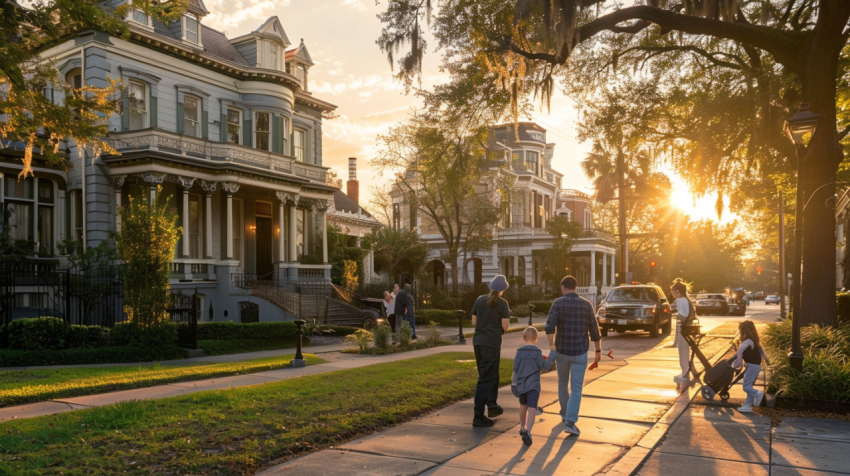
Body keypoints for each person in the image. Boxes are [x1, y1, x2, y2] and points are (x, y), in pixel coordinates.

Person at [545, 275, 601, 436]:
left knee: (562, 384)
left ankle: (564, 414)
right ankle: (570, 421)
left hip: (562, 351)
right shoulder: (586, 304)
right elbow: (594, 331)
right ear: (575, 287)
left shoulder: (558, 303)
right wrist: (597, 351)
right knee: (576, 388)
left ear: (563, 288)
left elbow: (550, 326)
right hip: (580, 352)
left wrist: (552, 346)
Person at [471, 275, 511, 427]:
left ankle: (492, 406)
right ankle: (478, 416)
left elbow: (474, 321)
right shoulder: (502, 304)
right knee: (486, 379)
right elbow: (505, 326)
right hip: (491, 344)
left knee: (490, 375)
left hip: (478, 343)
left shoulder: (480, 299)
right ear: (503, 290)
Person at [512, 327, 556, 446]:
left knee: (523, 406)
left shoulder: (519, 352)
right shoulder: (537, 352)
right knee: (531, 409)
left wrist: (514, 383)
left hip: (522, 384)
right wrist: (553, 354)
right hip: (533, 385)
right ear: (536, 339)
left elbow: (515, 368)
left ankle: (522, 428)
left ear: (524, 338)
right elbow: (545, 366)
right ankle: (528, 431)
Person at [733, 320, 768, 413]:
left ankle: (758, 393)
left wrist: (738, 362)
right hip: (754, 366)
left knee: (746, 387)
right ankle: (747, 405)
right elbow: (762, 351)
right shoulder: (754, 341)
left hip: (752, 366)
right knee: (749, 385)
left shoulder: (747, 341)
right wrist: (766, 360)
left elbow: (740, 350)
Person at [671, 279, 695, 384]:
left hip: (683, 328)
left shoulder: (681, 300)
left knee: (683, 351)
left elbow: (683, 315)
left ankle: (685, 373)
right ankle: (687, 372)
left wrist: (675, 315)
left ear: (677, 291)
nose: (672, 294)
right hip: (688, 328)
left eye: (673, 291)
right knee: (686, 350)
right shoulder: (686, 299)